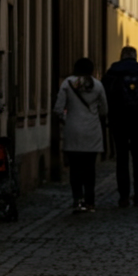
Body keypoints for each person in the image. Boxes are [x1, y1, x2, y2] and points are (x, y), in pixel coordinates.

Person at [103, 46, 138, 207]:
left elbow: (104, 97)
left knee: (121, 158)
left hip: (118, 122)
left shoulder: (111, 74)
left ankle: (123, 196)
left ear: (121, 57)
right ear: (135, 57)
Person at [53, 57, 108, 213]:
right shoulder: (97, 85)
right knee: (90, 169)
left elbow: (58, 108)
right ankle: (90, 201)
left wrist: (67, 119)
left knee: (75, 169)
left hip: (73, 131)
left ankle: (77, 200)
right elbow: (104, 110)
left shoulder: (68, 83)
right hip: (92, 132)